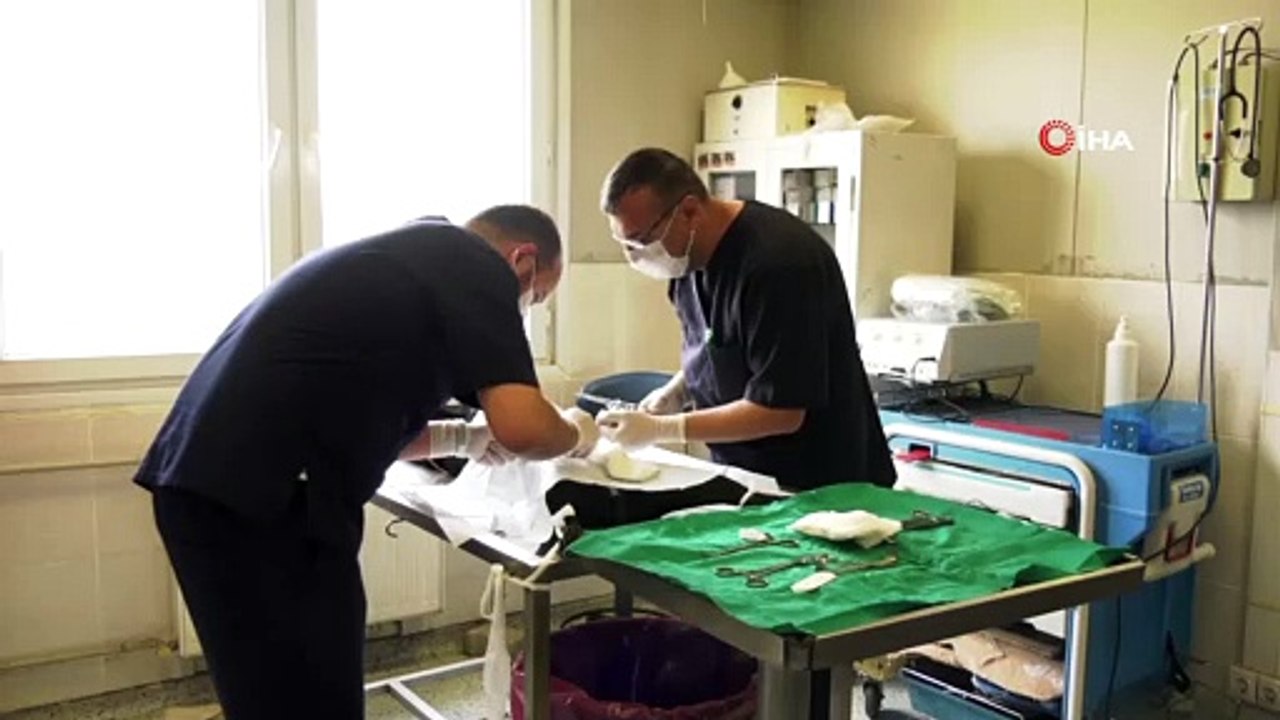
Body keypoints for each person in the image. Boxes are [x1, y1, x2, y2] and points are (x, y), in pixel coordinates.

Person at [135, 205, 598, 719]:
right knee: (311, 698)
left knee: (272, 695)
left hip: (207, 487)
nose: (525, 311)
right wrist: (580, 432)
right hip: (263, 505)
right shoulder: (475, 264)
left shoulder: (410, 265)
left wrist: (463, 439)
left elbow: (360, 422)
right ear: (523, 262)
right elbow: (525, 427)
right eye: (536, 298)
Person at [596, 147, 895, 493]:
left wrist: (665, 429)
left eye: (641, 241)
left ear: (689, 211)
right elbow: (718, 346)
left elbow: (781, 410)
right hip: (746, 474)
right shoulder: (687, 261)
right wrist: (676, 392)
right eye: (625, 244)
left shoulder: (779, 264)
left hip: (820, 483)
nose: (635, 256)